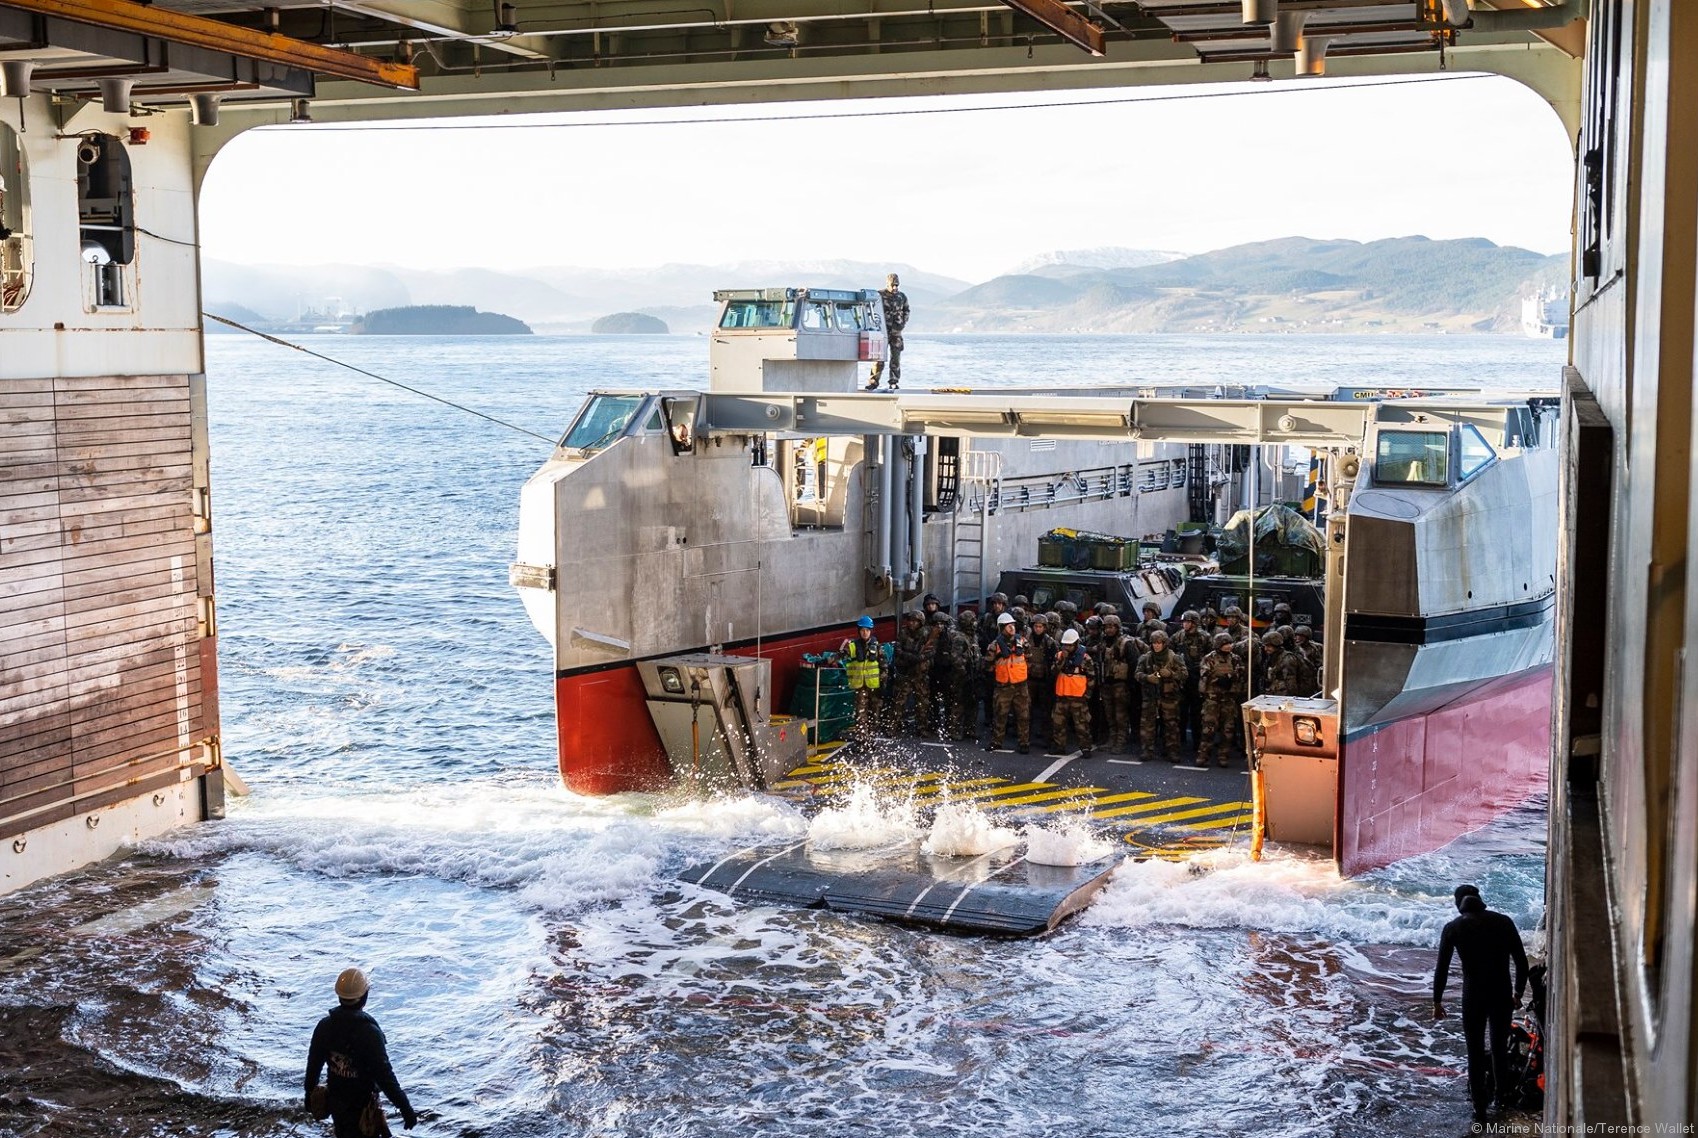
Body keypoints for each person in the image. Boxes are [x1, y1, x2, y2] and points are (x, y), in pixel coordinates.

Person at [1434, 884, 1530, 1122]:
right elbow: (1521, 962)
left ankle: (1479, 1108)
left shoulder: (1453, 928)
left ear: (1459, 905)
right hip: (1501, 994)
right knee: (1499, 1049)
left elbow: (1442, 969)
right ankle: (1502, 1099)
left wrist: (1437, 1001)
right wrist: (1518, 992)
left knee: (1474, 1052)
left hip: (1473, 996)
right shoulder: (1503, 922)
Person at [305, 968, 418, 1137]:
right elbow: (385, 1076)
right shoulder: (369, 1033)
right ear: (364, 997)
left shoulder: (325, 1026)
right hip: (364, 1108)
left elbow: (313, 1064)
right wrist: (405, 1107)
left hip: (336, 1102)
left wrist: (309, 1092)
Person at [983, 612, 1031, 753]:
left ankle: (1024, 743)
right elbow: (988, 665)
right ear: (1001, 627)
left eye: (1013, 625)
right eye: (1008, 626)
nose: (1012, 628)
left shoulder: (1022, 642)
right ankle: (997, 742)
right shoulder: (994, 646)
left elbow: (1029, 658)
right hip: (1003, 686)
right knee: (1000, 715)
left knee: (1023, 715)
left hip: (1020, 686)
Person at [1049, 627, 1094, 757]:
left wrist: (1087, 695)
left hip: (1078, 698)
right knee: (1058, 723)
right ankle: (1059, 746)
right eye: (1065, 645)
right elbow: (1053, 672)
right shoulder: (1059, 656)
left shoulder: (1085, 659)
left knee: (1082, 725)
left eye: (1069, 645)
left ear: (1075, 644)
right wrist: (1062, 660)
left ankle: (1085, 747)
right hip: (1062, 696)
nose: (1066, 647)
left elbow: (1091, 678)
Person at [865, 272, 910, 390]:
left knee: (895, 358)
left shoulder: (902, 297)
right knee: (878, 358)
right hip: (882, 332)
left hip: (896, 332)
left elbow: (907, 310)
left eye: (897, 285)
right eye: (893, 285)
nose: (895, 287)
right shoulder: (879, 295)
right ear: (888, 284)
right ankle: (873, 381)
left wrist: (902, 324)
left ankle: (893, 381)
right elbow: (869, 308)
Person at [839, 615, 882, 736]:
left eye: (867, 630)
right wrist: (827, 661)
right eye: (862, 630)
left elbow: (883, 666)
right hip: (860, 687)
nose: (865, 633)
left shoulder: (877, 647)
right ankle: (862, 741)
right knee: (860, 714)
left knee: (875, 714)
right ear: (859, 631)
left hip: (874, 687)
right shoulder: (852, 646)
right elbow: (840, 655)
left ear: (871, 631)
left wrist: (882, 683)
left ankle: (872, 739)